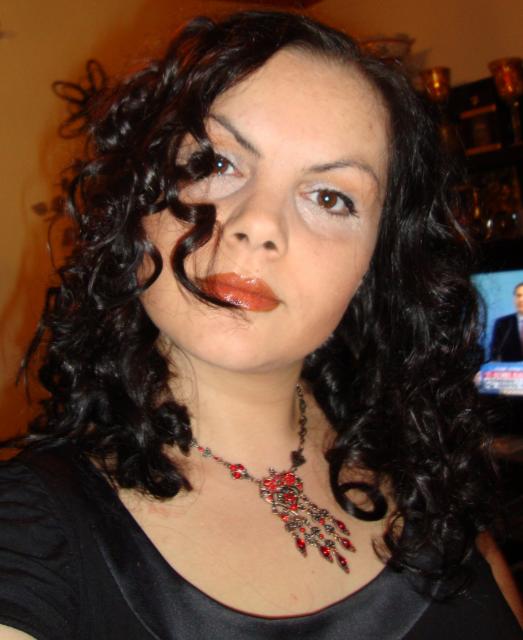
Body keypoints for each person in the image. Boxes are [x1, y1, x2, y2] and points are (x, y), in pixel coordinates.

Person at [0, 10, 521, 639]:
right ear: (137, 204)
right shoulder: (29, 530)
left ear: (375, 263)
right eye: (216, 163)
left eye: (330, 197)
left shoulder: (434, 483)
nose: (258, 224)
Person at [490, 282, 523, 361]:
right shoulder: (502, 323)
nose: (521, 300)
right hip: (509, 368)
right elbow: (495, 353)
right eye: (518, 296)